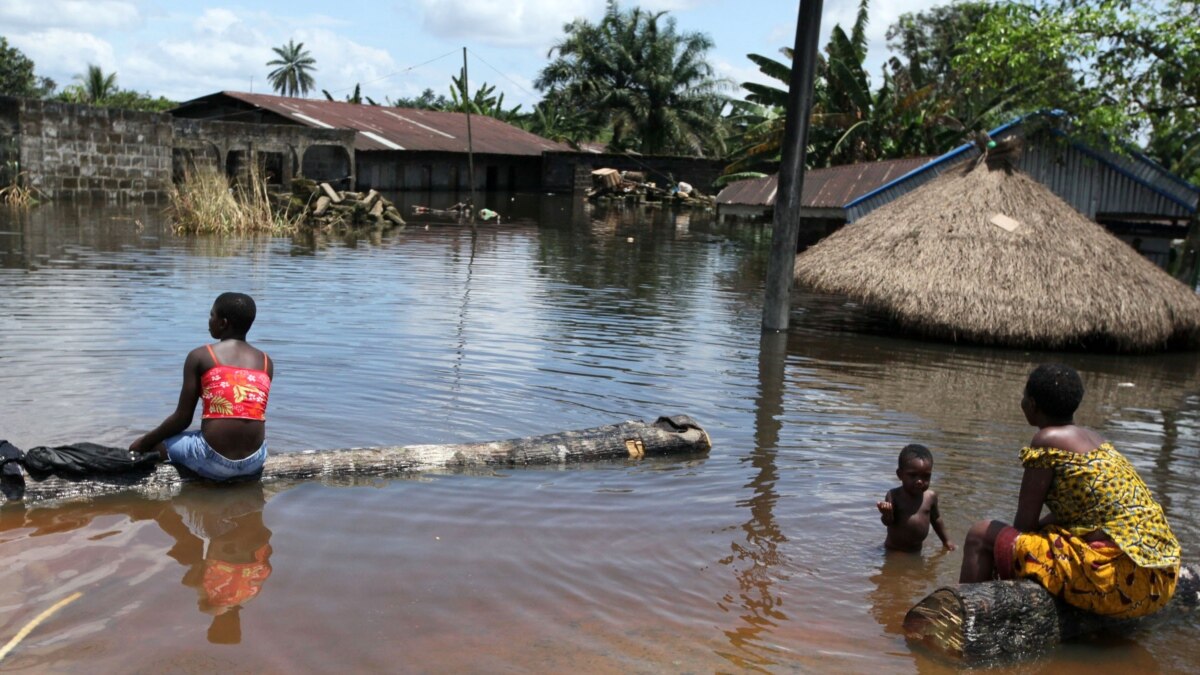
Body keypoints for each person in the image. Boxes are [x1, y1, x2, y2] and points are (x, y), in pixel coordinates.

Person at [959, 363, 1181, 619]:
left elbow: (1025, 524)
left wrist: (1010, 546)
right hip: (1159, 580)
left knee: (980, 534)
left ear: (1031, 404)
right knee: (1051, 532)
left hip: (1117, 583)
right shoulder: (1096, 439)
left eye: (1023, 397)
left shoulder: (1046, 440)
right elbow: (1083, 512)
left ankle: (967, 619)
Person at [130, 292, 273, 481]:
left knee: (154, 449)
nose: (209, 320)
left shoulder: (201, 356)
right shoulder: (265, 362)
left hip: (213, 460)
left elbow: (182, 419)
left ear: (223, 323)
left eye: (211, 315)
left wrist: (142, 443)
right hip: (255, 461)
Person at [876, 444, 955, 552]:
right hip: (893, 551)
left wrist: (946, 541)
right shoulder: (894, 495)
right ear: (900, 475)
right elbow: (888, 522)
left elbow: (936, 520)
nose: (919, 481)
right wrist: (886, 513)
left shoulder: (930, 497)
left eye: (926, 476)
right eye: (912, 475)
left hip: (916, 551)